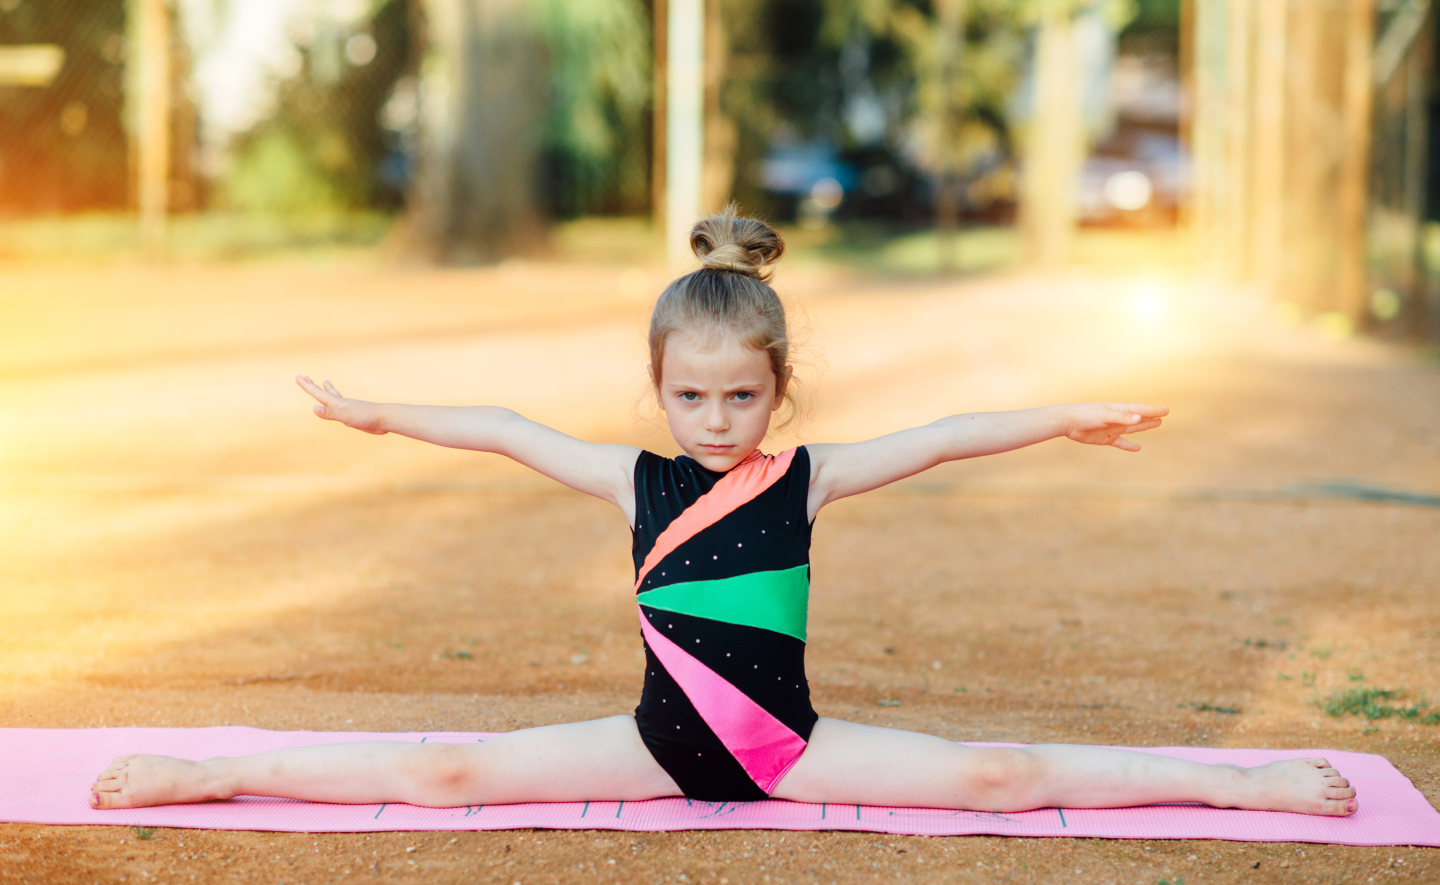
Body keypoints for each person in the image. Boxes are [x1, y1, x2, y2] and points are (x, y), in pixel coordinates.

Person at [90, 208, 1357, 818]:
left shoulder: (808, 476)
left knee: (1000, 776)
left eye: (741, 396)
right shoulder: (632, 479)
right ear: (659, 389)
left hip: (791, 749)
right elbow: (507, 428)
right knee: (445, 773)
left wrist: (1068, 417)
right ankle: (215, 772)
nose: (714, 420)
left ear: (776, 390)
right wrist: (383, 416)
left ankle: (1241, 787)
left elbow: (944, 434)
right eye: (689, 396)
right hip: (654, 745)